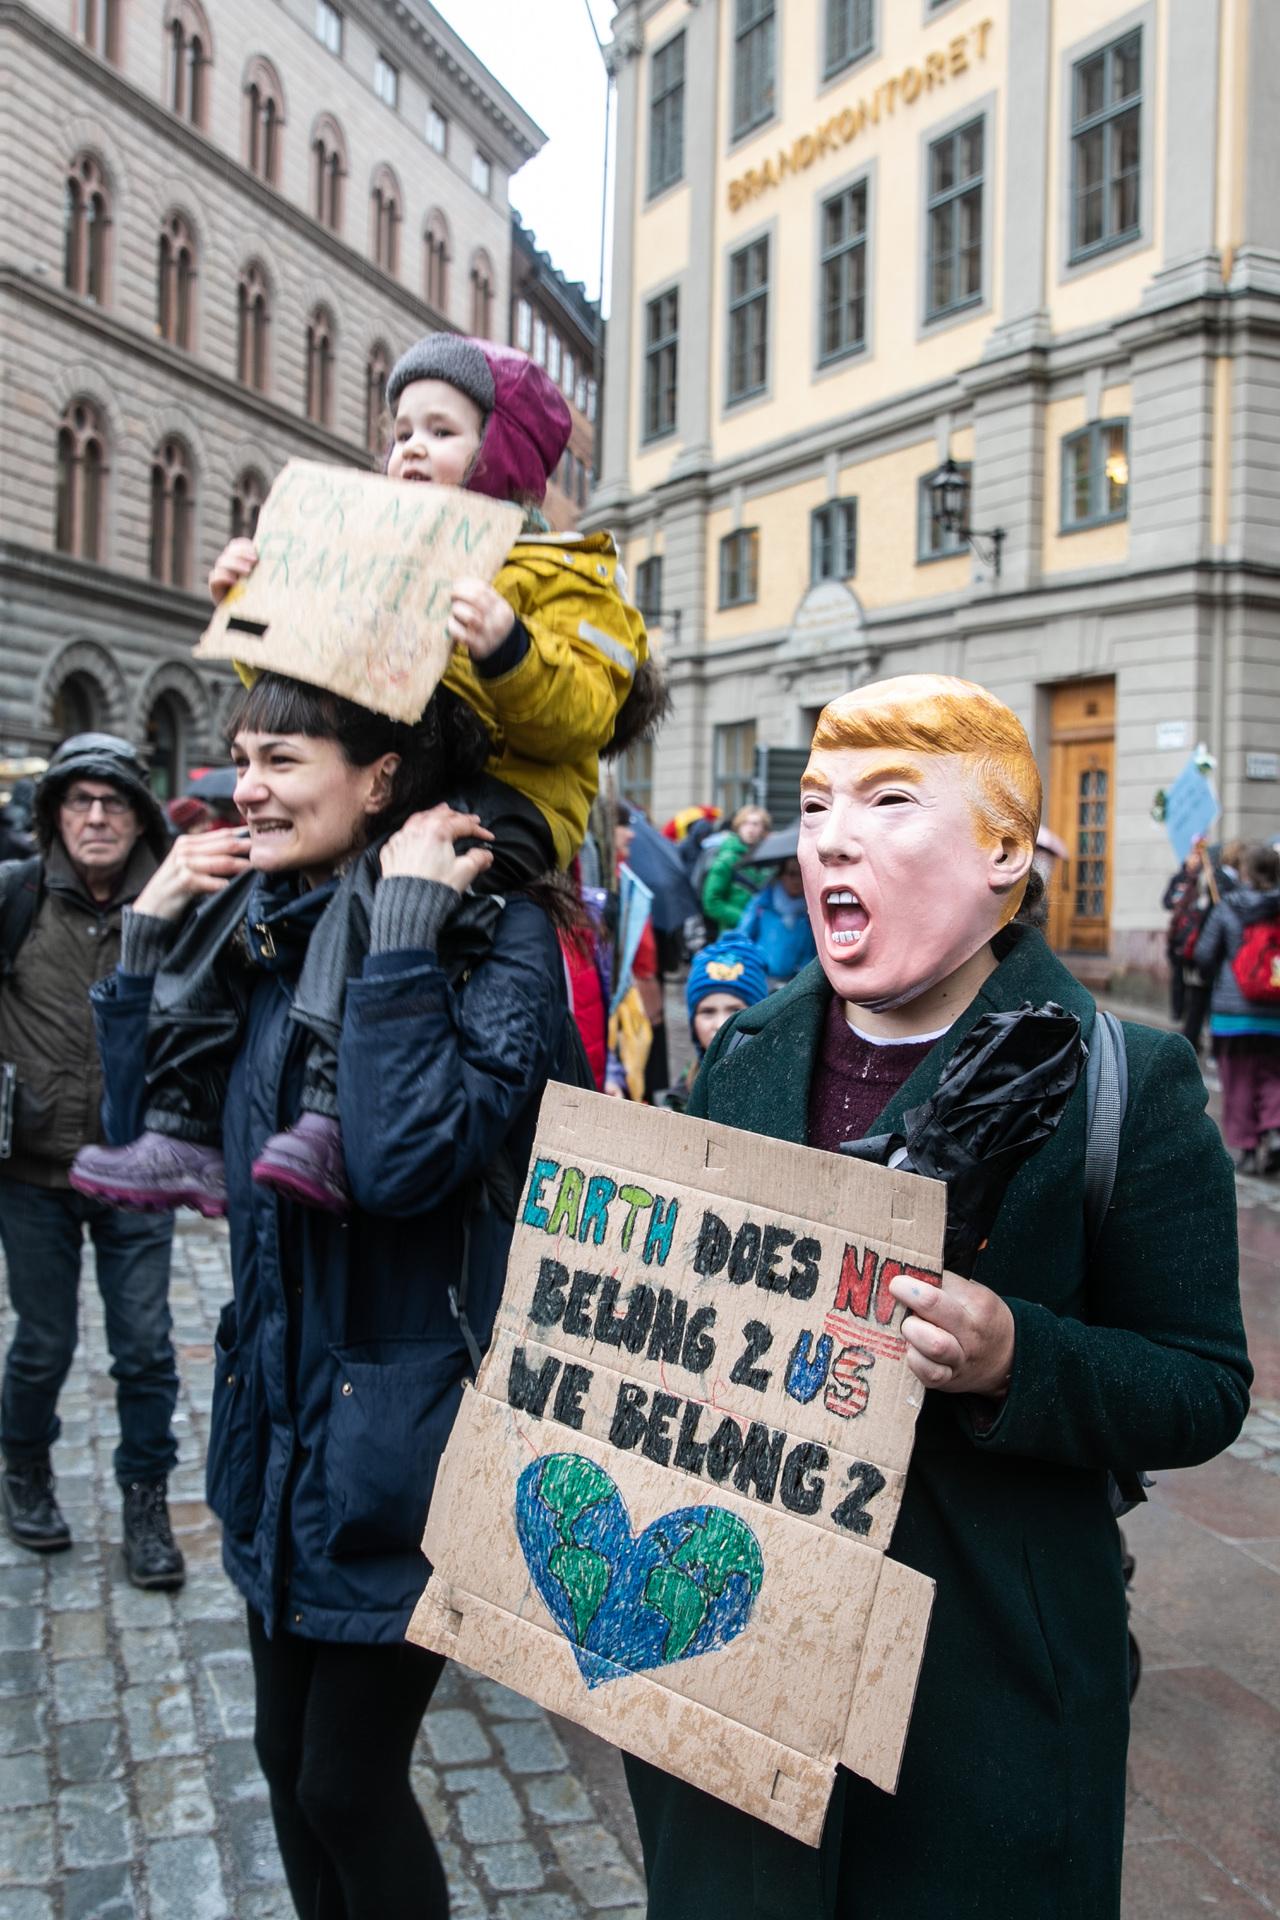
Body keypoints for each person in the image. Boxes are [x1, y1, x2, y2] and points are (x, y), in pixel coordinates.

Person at [625, 674, 1250, 1920]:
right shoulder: (746, 1050)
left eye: (888, 799)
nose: (830, 837)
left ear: (1002, 851)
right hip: (733, 1664)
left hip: (982, 1686)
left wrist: (1018, 1360)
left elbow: (1199, 1383)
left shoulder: (1128, 1075)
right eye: (813, 806)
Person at [88, 670, 581, 1920]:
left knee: (347, 1784)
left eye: (280, 760)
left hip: (407, 1437)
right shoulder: (266, 922)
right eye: (239, 757)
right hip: (278, 1415)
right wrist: (145, 942)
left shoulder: (494, 935)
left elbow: (407, 1159)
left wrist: (407, 928)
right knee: (284, 1768)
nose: (244, 787)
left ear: (380, 778)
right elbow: (138, 1130)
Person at [71, 335, 661, 1217]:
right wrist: (255, 607)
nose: (410, 447)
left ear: (500, 451)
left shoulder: (566, 573)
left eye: (442, 429)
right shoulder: (380, 553)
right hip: (410, 796)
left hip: (506, 806)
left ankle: (325, 1115)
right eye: (400, 431)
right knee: (238, 908)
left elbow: (582, 713)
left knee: (371, 896)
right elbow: (318, 698)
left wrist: (508, 645)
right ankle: (180, 1121)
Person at [0, 735, 185, 1589]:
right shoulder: (15, 895)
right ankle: (25, 1470)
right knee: (41, 1344)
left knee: (145, 1350)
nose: (98, 817)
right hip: (33, 1174)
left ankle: (145, 1501)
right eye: (80, 801)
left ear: (141, 815)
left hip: (135, 1174)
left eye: (114, 802)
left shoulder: (177, 904)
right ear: (55, 816)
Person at [1192, 841, 1280, 1173]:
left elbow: (1203, 955)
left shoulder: (1227, 906)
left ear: (1244, 871)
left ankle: (1244, 1148)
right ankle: (1274, 1126)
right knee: (1274, 1074)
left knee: (1238, 1078)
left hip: (1234, 1012)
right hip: (1276, 1011)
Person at [657, 934, 768, 1112]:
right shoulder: (681, 1095)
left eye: (735, 1011)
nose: (721, 1025)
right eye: (707, 1012)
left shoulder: (777, 1086)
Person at [736, 855, 816, 983]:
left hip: (792, 982)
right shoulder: (763, 903)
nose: (797, 880)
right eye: (791, 873)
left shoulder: (812, 910)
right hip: (760, 977)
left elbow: (810, 952)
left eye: (801, 874)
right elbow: (743, 935)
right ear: (781, 876)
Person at [700, 804, 771, 933]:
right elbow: (711, 902)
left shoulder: (769, 859)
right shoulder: (727, 859)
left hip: (762, 933)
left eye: (755, 824)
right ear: (738, 827)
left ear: (763, 829)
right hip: (733, 934)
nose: (750, 829)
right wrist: (744, 918)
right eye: (745, 823)